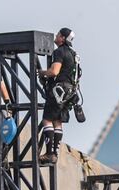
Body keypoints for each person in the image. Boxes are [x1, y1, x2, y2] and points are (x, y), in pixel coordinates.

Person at [37, 27, 80, 164]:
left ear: (62, 38)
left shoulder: (59, 52)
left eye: (58, 35)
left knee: (47, 120)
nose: (56, 36)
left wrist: (42, 73)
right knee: (58, 122)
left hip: (59, 91)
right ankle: (54, 153)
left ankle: (50, 153)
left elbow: (54, 71)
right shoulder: (74, 54)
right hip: (70, 92)